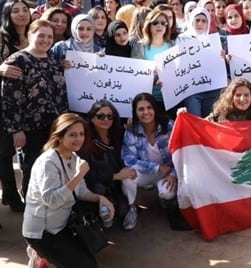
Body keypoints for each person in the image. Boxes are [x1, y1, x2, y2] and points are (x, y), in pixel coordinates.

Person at [23, 113, 115, 268]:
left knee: (90, 253)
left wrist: (101, 199)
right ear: (59, 136)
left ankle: (42, 255)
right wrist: (78, 175)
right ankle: (38, 251)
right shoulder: (48, 162)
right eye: (72, 135)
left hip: (63, 225)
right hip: (43, 232)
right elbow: (51, 201)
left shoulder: (73, 157)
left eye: (81, 134)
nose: (78, 139)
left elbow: (81, 192)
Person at [2, 20, 68, 198]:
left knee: (51, 165)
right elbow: (9, 99)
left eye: (50, 37)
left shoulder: (52, 60)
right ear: (30, 35)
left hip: (54, 126)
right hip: (30, 129)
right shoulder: (17, 60)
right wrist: (16, 130)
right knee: (32, 166)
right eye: (41, 35)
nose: (46, 40)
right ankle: (31, 205)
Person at [121, 93, 181, 231]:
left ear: (155, 109)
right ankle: (131, 208)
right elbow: (128, 158)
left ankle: (164, 197)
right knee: (126, 177)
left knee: (167, 193)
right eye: (141, 109)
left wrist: (173, 173)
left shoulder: (169, 125)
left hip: (167, 172)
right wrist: (156, 167)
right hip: (146, 172)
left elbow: (180, 152)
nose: (146, 112)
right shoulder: (131, 130)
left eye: (149, 108)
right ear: (135, 112)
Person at [79, 100, 134, 229]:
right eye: (100, 116)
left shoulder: (118, 134)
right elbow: (87, 175)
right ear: (92, 118)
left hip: (116, 185)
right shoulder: (85, 141)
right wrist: (114, 176)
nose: (106, 120)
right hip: (95, 186)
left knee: (121, 210)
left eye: (110, 116)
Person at [0, 0, 31, 212]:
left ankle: (27, 192)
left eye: (24, 10)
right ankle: (10, 194)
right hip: (6, 106)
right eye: (15, 11)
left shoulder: (36, 34)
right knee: (5, 152)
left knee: (27, 152)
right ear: (7, 16)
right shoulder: (2, 39)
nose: (21, 14)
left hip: (31, 106)